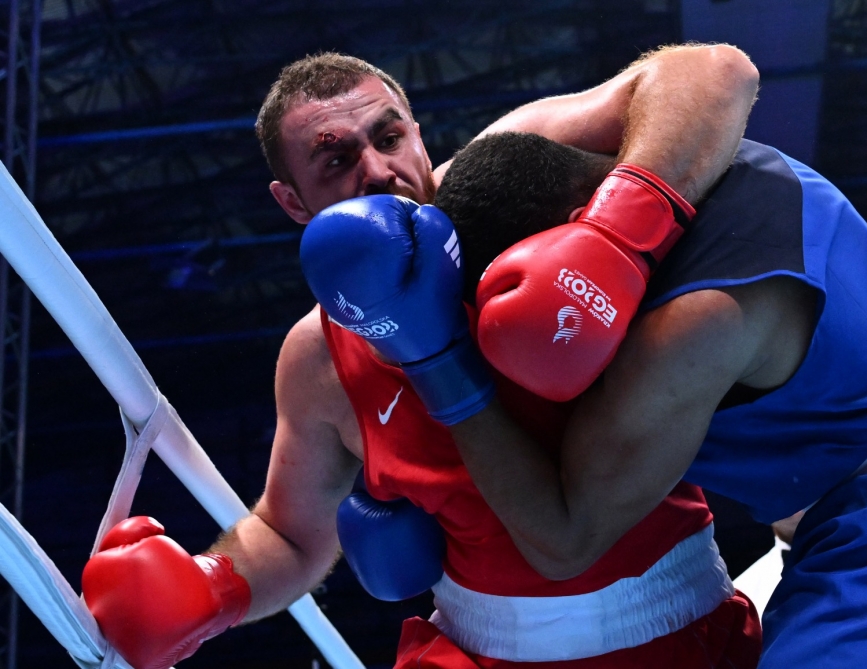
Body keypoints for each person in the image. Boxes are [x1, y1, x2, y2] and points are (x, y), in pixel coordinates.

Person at [80, 46, 762, 669]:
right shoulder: (320, 356)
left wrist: (614, 237)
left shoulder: (509, 181)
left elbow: (713, 71)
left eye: (387, 137)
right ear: (292, 201)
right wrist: (209, 587)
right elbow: (290, 535)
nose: (378, 171)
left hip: (677, 630)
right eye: (336, 159)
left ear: (416, 132)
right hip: (472, 647)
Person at [365, 129, 867, 669]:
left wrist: (437, 358)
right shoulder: (722, 157)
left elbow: (566, 540)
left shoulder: (692, 324)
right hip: (856, 514)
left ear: (566, 243)